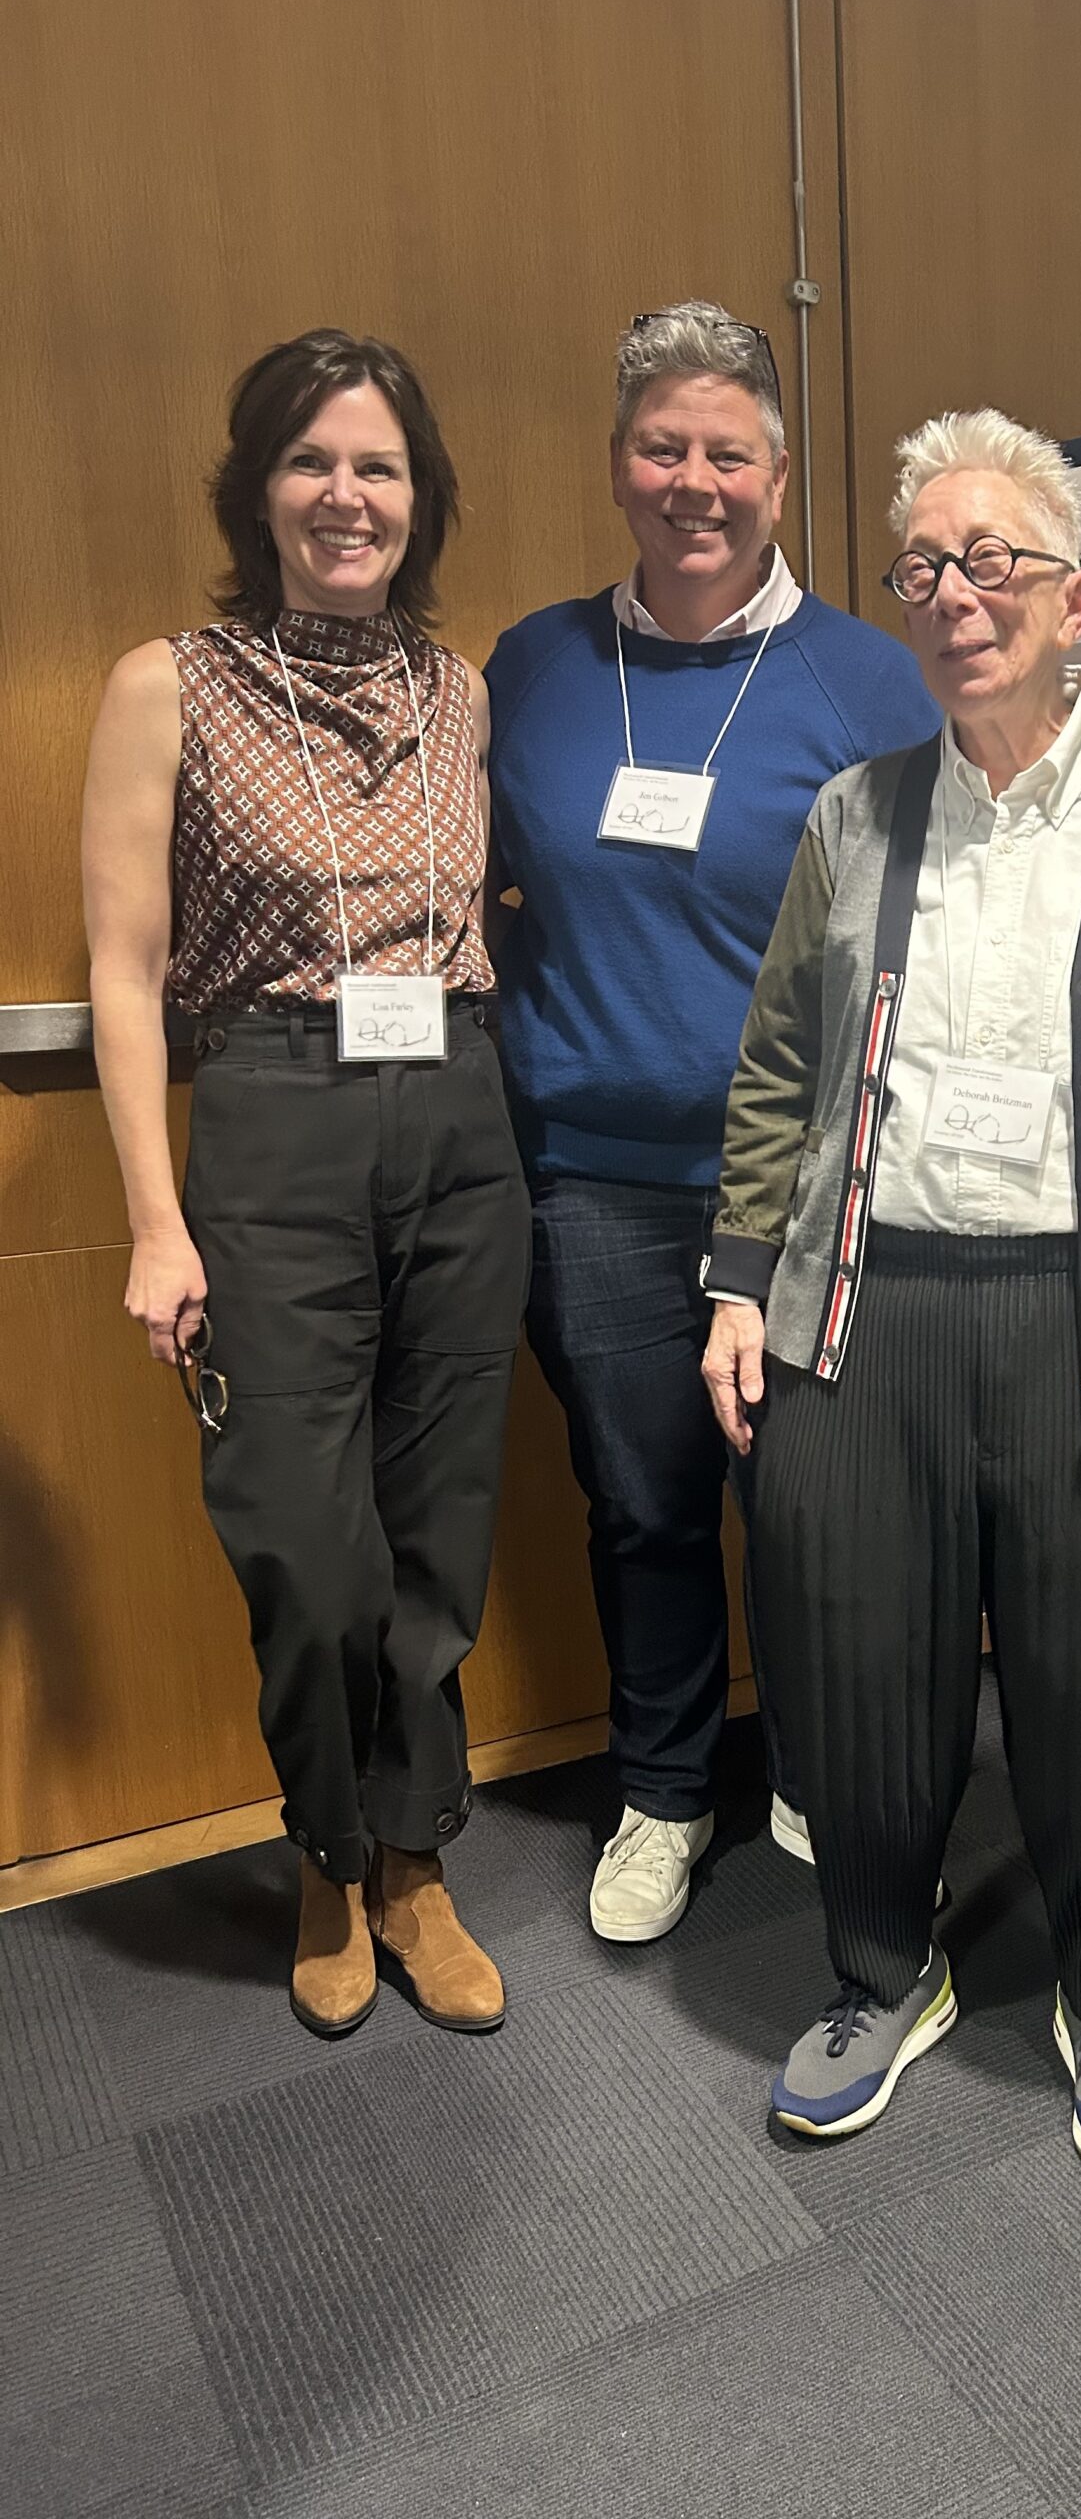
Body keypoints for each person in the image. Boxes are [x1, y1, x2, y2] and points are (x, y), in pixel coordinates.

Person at [701, 409, 1081, 2173]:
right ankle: (882, 1971)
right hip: (863, 1311)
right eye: (926, 568)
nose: (957, 596)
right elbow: (778, 1069)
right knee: (858, 1667)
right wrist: (740, 1286)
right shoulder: (853, 814)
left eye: (995, 563)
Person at [82, 330, 530, 2038]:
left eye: (382, 469)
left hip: (459, 1119)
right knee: (301, 1541)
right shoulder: (167, 686)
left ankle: (415, 1865)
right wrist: (151, 1217)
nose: (350, 497)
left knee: (439, 1523)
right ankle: (325, 1857)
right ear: (257, 485)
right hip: (269, 1120)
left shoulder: (464, 689)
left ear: (422, 503)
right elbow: (125, 967)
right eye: (315, 463)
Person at [483, 305, 936, 1945]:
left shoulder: (869, 681)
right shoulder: (531, 669)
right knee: (644, 1503)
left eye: (727, 452)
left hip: (807, 1192)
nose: (695, 482)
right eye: (664, 448)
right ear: (620, 466)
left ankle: (817, 1773)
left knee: (809, 1510)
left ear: (778, 473)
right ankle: (664, 1793)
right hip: (591, 1179)